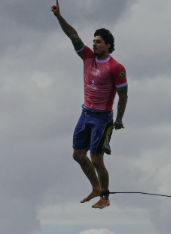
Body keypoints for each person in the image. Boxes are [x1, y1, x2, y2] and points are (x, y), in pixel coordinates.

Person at [51, 0, 128, 209]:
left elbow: (123, 95)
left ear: (108, 45)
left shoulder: (116, 67)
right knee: (77, 155)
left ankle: (105, 196)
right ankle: (95, 187)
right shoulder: (87, 57)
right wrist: (59, 17)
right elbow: (73, 36)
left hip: (102, 118)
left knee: (96, 159)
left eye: (99, 42)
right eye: (93, 41)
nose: (94, 44)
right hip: (85, 113)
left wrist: (119, 120)